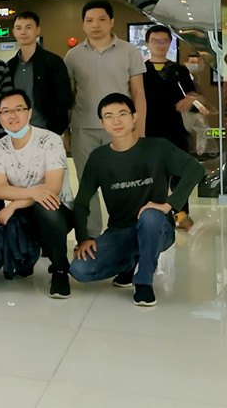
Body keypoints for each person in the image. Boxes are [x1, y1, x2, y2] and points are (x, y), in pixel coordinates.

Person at [70, 93, 204, 306]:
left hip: (157, 228)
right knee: (80, 270)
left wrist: (169, 204)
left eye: (122, 114)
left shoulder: (157, 147)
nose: (116, 121)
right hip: (120, 232)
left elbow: (195, 169)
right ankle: (129, 263)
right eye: (109, 116)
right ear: (102, 123)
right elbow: (82, 201)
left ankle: (143, 281)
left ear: (134, 117)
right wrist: (83, 238)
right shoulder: (99, 157)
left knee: (150, 216)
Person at [65, 0, 147, 237]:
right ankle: (90, 237)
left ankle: (125, 234)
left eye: (102, 19)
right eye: (89, 20)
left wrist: (139, 129)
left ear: (111, 22)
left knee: (124, 183)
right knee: (87, 185)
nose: (95, 25)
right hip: (84, 128)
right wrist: (66, 130)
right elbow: (69, 96)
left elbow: (138, 93)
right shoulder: (72, 56)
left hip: (122, 129)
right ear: (83, 24)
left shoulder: (129, 51)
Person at [0, 90, 74, 299]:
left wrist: (13, 204)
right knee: (22, 268)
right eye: (6, 111)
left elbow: (51, 190)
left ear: (29, 112)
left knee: (45, 205)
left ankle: (60, 270)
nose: (12, 115)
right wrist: (32, 194)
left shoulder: (50, 140)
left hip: (58, 211)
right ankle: (27, 258)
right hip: (25, 212)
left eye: (18, 109)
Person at [142, 25, 207, 229]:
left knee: (180, 174)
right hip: (148, 130)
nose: (160, 45)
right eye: (155, 41)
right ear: (147, 43)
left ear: (170, 43)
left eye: (164, 41)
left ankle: (181, 214)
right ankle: (151, 216)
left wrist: (191, 100)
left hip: (175, 130)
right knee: (151, 175)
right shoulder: (139, 70)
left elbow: (196, 98)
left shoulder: (179, 70)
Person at [7, 11, 73, 136]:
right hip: (17, 132)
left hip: (47, 130)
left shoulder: (53, 62)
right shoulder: (10, 66)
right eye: (18, 28)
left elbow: (64, 98)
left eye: (28, 27)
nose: (23, 32)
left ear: (37, 30)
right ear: (14, 32)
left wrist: (56, 129)